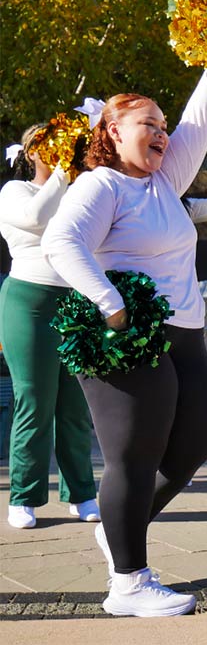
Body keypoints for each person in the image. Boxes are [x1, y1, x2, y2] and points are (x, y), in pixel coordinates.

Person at [41, 55, 207, 617]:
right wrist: (112, 306)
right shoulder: (102, 185)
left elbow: (202, 119)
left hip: (186, 332)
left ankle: (121, 530)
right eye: (147, 123)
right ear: (112, 132)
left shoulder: (166, 181)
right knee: (134, 455)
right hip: (126, 335)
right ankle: (128, 584)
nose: (162, 132)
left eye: (163, 124)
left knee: (192, 446)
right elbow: (62, 242)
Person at [0, 126, 99, 530]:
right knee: (35, 399)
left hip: (76, 300)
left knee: (76, 405)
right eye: (46, 146)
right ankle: (23, 496)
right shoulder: (14, 191)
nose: (56, 152)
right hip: (29, 301)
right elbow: (36, 216)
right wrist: (62, 171)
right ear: (31, 152)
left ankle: (81, 494)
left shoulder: (78, 191)